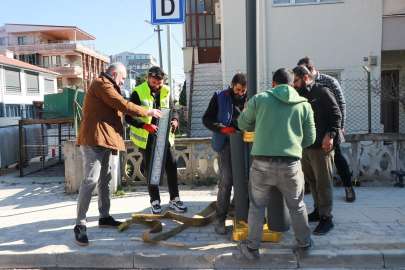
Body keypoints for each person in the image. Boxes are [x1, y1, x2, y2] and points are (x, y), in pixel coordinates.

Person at [74, 62, 162, 246]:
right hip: (93, 140)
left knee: (104, 180)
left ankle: (104, 217)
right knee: (90, 181)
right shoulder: (102, 84)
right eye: (122, 79)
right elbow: (121, 104)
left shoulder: (108, 84)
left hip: (103, 139)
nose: (122, 83)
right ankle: (80, 224)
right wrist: (148, 112)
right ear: (114, 74)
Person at [236, 68, 316, 261]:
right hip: (291, 165)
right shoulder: (304, 104)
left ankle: (252, 248)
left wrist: (247, 110)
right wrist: (294, 146)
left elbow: (241, 124)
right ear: (292, 84)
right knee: (297, 206)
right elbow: (310, 139)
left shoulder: (259, 99)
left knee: (256, 208)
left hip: (262, 164)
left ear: (273, 83)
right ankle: (305, 245)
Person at [125, 66, 187, 214]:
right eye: (153, 82)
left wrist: (175, 121)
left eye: (159, 83)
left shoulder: (166, 90)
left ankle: (174, 200)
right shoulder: (137, 92)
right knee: (152, 170)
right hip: (147, 138)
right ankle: (155, 202)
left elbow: (173, 110)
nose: (157, 86)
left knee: (171, 168)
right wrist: (146, 126)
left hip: (166, 136)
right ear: (147, 78)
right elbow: (128, 117)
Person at [297, 57, 355, 203]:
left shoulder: (327, 82)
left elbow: (339, 106)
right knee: (314, 172)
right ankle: (316, 202)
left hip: (330, 130)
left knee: (338, 159)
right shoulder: (301, 89)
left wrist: (337, 129)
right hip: (312, 138)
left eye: (304, 68)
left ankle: (348, 186)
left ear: (311, 69)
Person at [292, 66, 342, 235]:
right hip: (305, 147)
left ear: (306, 77)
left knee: (324, 183)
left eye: (296, 80)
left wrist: (330, 135)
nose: (294, 84)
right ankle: (318, 211)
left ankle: (327, 218)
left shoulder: (322, 91)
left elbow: (336, 114)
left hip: (322, 147)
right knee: (312, 182)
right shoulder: (298, 94)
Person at [202, 73, 247, 235]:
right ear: (231, 84)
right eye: (238, 89)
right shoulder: (220, 96)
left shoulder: (251, 98)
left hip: (246, 142)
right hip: (226, 143)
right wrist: (222, 128)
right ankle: (220, 217)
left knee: (246, 179)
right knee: (226, 180)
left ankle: (237, 210)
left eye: (243, 90)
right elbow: (206, 119)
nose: (240, 93)